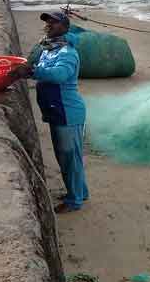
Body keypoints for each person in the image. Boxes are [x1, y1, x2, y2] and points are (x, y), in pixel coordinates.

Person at [9, 12, 89, 214]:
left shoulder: (67, 53)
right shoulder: (48, 49)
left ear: (65, 26)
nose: (49, 24)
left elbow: (60, 75)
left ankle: (74, 201)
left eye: (54, 22)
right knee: (67, 157)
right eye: (47, 22)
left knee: (69, 157)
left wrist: (32, 72)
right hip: (56, 111)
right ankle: (80, 192)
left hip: (68, 112)